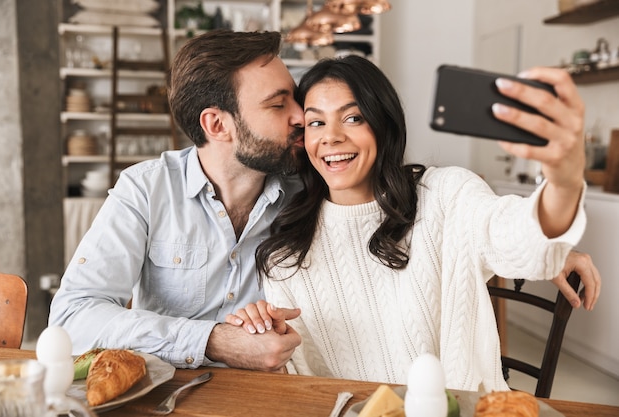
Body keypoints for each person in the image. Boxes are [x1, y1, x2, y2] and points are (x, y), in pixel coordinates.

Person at [227, 55, 590, 392]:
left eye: (354, 118)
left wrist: (565, 181)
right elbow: (299, 379)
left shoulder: (446, 195)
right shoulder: (285, 255)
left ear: (384, 125)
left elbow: (521, 239)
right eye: (316, 122)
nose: (331, 136)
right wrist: (266, 336)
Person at [48, 30, 304, 371]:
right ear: (216, 124)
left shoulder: (307, 192)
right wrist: (214, 341)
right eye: (278, 104)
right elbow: (72, 318)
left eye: (295, 99)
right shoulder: (145, 189)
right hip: (164, 395)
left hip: (265, 395)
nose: (301, 116)